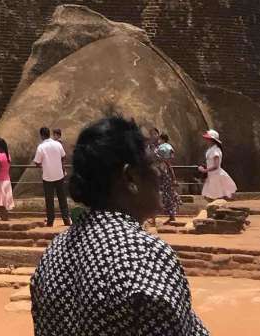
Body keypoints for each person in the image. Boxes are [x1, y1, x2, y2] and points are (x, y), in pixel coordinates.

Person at [30, 116, 208, 336]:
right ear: (130, 176)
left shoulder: (53, 255)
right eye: (152, 164)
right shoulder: (145, 257)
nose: (159, 173)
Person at [34, 126, 71, 228]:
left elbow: (37, 162)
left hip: (48, 176)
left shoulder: (41, 147)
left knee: (49, 200)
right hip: (59, 175)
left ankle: (50, 221)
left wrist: (43, 165)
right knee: (62, 198)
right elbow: (64, 156)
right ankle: (66, 219)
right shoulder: (57, 144)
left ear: (41, 135)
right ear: (49, 134)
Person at [199, 131, 236, 203]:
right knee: (209, 196)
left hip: (216, 175)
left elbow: (216, 165)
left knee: (216, 196)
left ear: (212, 140)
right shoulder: (211, 150)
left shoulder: (215, 150)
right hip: (211, 176)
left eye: (208, 139)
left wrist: (205, 170)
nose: (206, 141)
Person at [154, 133, 179, 224]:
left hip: (160, 171)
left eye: (159, 139)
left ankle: (154, 217)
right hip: (166, 171)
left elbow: (155, 157)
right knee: (169, 193)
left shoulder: (161, 148)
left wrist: (160, 158)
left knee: (159, 192)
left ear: (162, 139)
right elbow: (171, 158)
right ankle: (171, 215)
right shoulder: (169, 147)